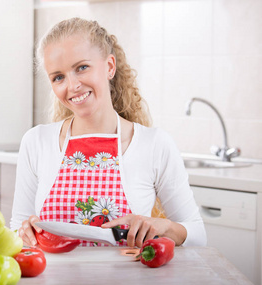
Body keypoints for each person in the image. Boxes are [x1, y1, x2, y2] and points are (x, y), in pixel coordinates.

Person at [10, 17, 206, 248]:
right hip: (51, 283)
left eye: (82, 68)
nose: (72, 86)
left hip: (128, 284)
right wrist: (22, 233)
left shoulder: (155, 145)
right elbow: (17, 228)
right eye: (58, 77)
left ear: (110, 66)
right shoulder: (36, 142)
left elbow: (198, 237)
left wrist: (165, 227)